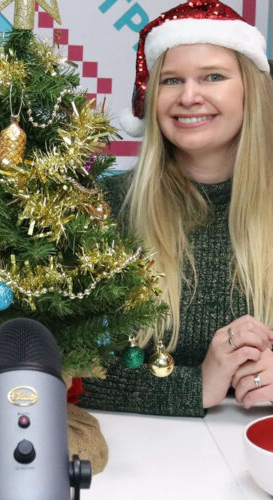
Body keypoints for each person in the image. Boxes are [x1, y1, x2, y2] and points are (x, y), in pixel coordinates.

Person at [81, 0, 273, 417]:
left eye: (213, 77)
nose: (189, 97)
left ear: (250, 91)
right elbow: (64, 367)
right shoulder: (103, 207)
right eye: (171, 81)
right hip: (141, 458)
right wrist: (195, 386)